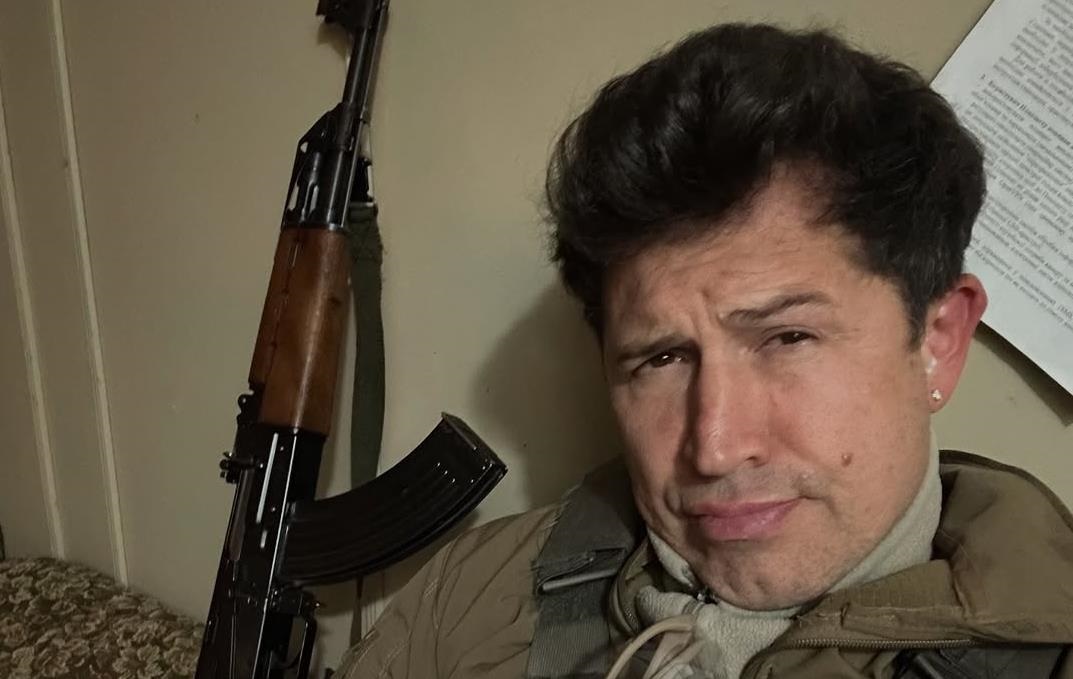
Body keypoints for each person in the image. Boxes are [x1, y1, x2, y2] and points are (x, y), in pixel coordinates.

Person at [337, 23, 1073, 679]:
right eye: (661, 359)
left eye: (787, 337)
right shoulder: (469, 600)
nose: (715, 448)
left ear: (938, 341)